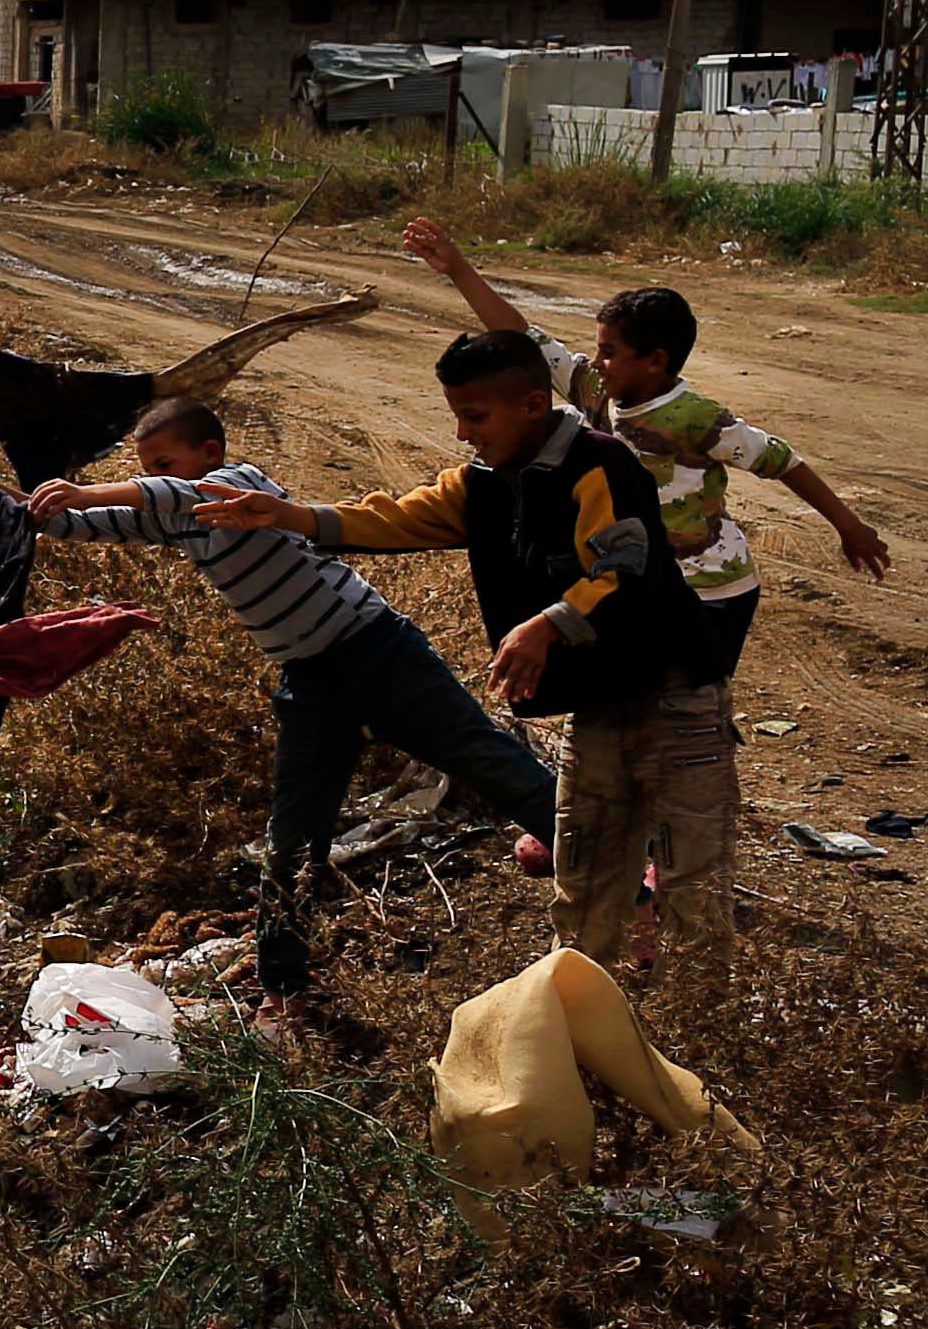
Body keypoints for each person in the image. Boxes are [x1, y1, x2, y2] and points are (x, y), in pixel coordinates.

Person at [199, 329, 736, 999]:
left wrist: (547, 624)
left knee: (692, 874)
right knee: (584, 868)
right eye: (457, 416)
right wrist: (293, 516)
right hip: (599, 704)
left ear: (534, 404)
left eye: (475, 417)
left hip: (673, 694)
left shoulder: (598, 465)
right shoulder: (484, 484)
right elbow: (397, 518)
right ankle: (590, 1014)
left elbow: (626, 568)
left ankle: (704, 1020)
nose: (462, 434)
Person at [28, 394, 553, 1001]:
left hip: (379, 651)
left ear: (211, 454)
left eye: (164, 462)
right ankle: (283, 985)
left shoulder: (236, 486)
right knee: (295, 837)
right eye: (145, 467)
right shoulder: (178, 512)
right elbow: (92, 520)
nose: (152, 477)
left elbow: (159, 497)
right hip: (311, 682)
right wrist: (18, 501)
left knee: (490, 761)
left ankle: (620, 870)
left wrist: (91, 490)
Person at [398, 218, 891, 683]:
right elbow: (522, 339)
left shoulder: (696, 419)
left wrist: (849, 527)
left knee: (690, 701)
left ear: (656, 361)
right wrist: (458, 269)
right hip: (639, 581)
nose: (597, 361)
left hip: (710, 590)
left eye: (609, 351)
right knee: (639, 696)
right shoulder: (597, 394)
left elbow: (783, 461)